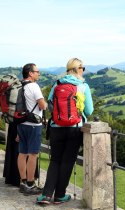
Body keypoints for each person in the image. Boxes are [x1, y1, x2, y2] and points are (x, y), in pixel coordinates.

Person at [36, 58, 93, 205]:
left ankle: (46, 195)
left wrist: (60, 116)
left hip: (56, 127)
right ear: (77, 69)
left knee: (55, 160)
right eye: (83, 68)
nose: (83, 70)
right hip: (75, 129)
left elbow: (49, 104)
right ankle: (60, 195)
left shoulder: (57, 83)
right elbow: (89, 110)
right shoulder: (83, 86)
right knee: (67, 162)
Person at [17, 63, 47, 195]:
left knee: (22, 153)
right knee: (33, 154)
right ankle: (30, 184)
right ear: (30, 73)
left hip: (21, 124)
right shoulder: (34, 86)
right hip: (34, 125)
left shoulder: (20, 85)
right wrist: (45, 103)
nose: (38, 74)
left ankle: (23, 182)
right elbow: (42, 106)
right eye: (37, 71)